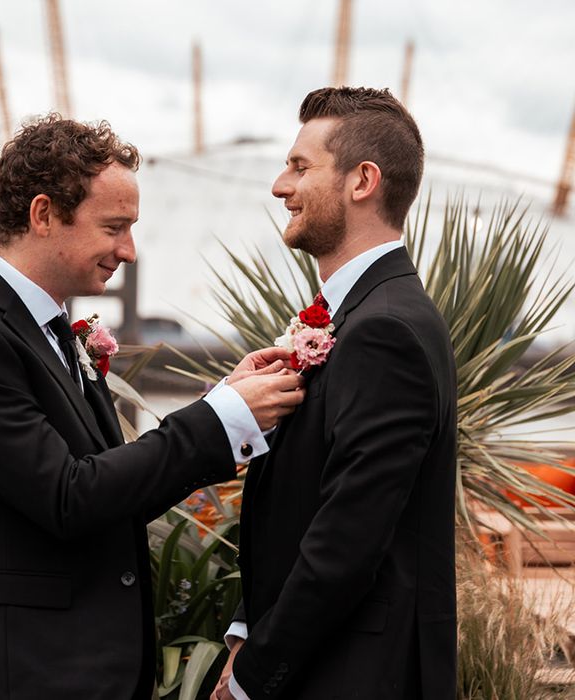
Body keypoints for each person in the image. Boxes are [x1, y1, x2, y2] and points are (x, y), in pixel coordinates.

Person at [0, 116, 305, 700]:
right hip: (5, 674)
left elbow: (113, 490)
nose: (129, 251)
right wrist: (223, 419)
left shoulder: (50, 330)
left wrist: (219, 401)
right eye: (114, 227)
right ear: (42, 214)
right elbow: (68, 497)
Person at [212, 87, 458, 699]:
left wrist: (250, 679)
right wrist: (246, 626)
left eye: (300, 167)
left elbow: (345, 543)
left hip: (356, 674)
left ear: (362, 181)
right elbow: (300, 505)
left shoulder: (384, 330)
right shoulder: (358, 316)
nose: (279, 185)